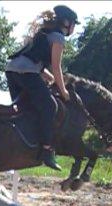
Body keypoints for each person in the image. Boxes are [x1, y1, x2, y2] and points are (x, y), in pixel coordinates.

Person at [5, 5, 79, 171]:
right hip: (26, 72)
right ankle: (47, 150)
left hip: (11, 70)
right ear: (66, 22)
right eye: (74, 24)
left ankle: (22, 141)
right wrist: (64, 91)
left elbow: (36, 63)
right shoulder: (58, 38)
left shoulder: (43, 34)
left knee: (23, 108)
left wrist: (51, 79)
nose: (74, 28)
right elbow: (56, 66)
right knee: (50, 106)